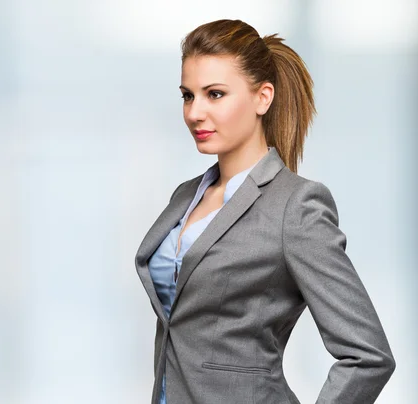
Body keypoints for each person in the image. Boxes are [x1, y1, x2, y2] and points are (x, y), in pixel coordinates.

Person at [134, 19, 395, 404]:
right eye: (188, 96)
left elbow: (368, 356)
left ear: (263, 97)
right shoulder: (184, 197)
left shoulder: (296, 207)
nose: (195, 113)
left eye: (215, 94)